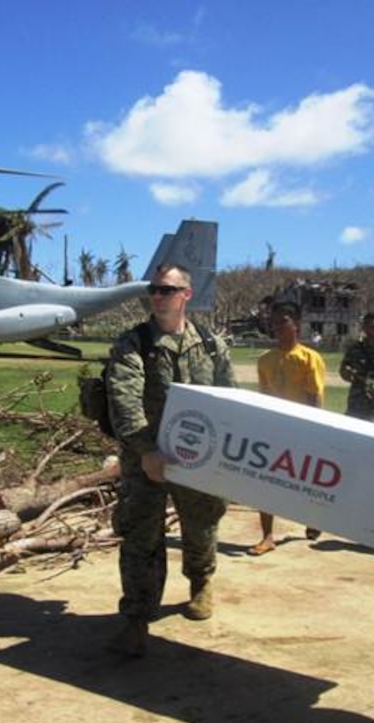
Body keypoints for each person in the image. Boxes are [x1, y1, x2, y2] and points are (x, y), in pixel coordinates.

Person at [104, 263, 237, 657]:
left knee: (202, 525)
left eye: (167, 289)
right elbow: (123, 400)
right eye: (154, 289)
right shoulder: (134, 343)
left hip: (199, 459)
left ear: (186, 295)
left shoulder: (212, 344)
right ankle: (137, 619)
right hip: (146, 459)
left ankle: (201, 582)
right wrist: (147, 451)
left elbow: (230, 400)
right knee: (140, 537)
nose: (158, 296)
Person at [248, 301, 326, 556]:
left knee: (304, 479)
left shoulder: (309, 358)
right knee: (264, 480)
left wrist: (314, 430)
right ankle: (267, 535)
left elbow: (315, 397)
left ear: (296, 325)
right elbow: (264, 395)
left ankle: (313, 517)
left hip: (303, 428)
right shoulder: (265, 360)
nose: (277, 326)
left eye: (283, 321)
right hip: (274, 429)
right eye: (274, 321)